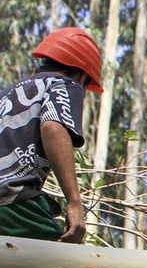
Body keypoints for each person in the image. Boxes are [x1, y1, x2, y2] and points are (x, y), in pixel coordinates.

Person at [0, 27, 103, 243]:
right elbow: (53, 127)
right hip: (13, 205)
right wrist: (75, 203)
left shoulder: (5, 95)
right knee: (68, 267)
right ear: (82, 75)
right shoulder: (62, 84)